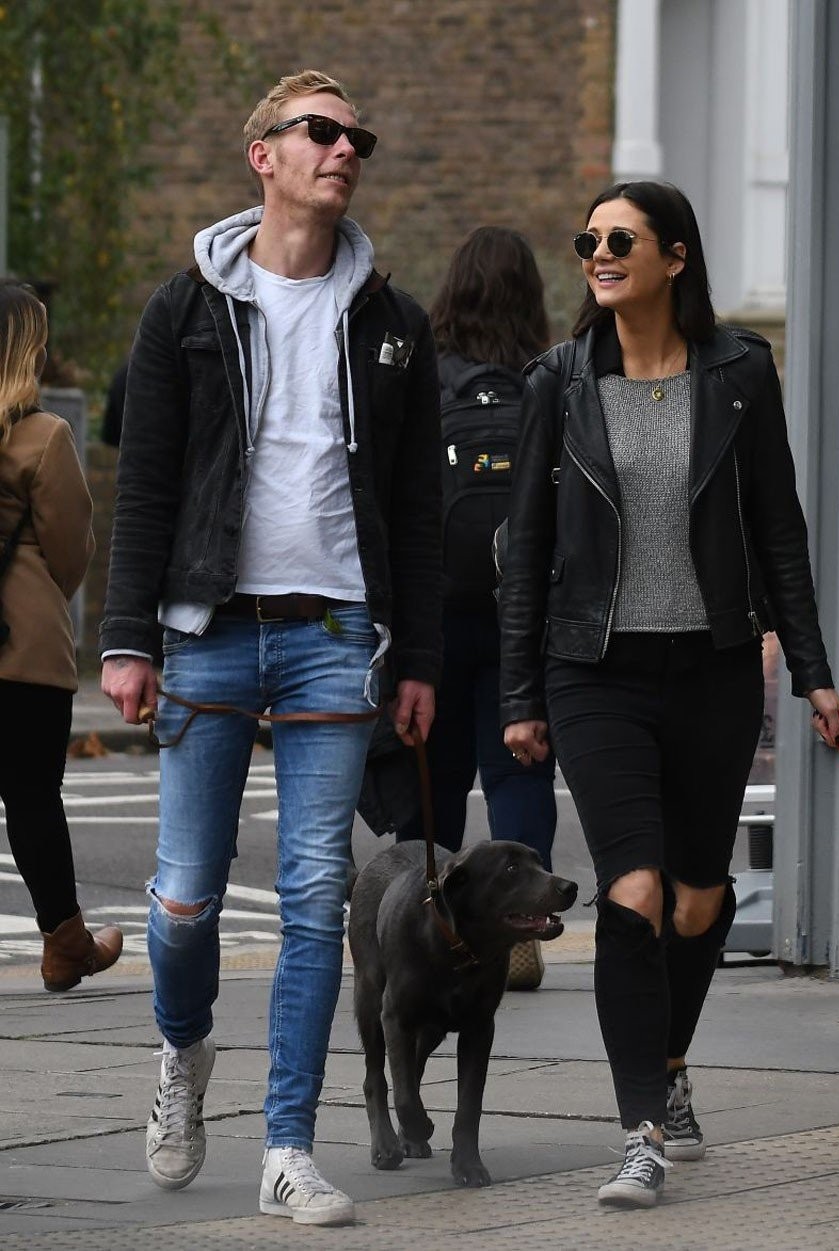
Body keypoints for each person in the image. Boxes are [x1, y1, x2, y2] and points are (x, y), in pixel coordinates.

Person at [99, 71, 441, 1226]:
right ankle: (182, 1052)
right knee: (187, 898)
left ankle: (288, 1146)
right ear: (265, 157)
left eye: (359, 135)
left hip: (336, 632)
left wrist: (422, 662)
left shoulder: (391, 321)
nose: (346, 149)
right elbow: (145, 483)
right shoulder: (186, 308)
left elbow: (416, 509)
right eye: (323, 132)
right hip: (206, 629)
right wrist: (125, 638)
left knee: (310, 900)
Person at [499, 180, 839, 1208]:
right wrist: (521, 690)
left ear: (674, 259)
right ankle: (639, 1128)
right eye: (588, 240)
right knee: (634, 893)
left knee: (697, 902)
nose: (598, 254)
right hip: (592, 671)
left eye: (621, 240)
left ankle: (672, 1065)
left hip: (712, 668)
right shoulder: (557, 381)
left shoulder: (738, 372)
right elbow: (527, 552)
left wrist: (815, 674)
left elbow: (777, 528)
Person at [358, 226, 557, 990]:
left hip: (433, 611)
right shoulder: (546, 380)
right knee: (519, 767)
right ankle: (522, 929)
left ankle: (429, 920)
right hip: (520, 612)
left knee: (431, 773)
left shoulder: (426, 378)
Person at [0, 282, 124, 993]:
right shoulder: (44, 435)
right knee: (32, 795)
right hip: (23, 646)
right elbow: (72, 550)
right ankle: (63, 943)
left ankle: (68, 941)